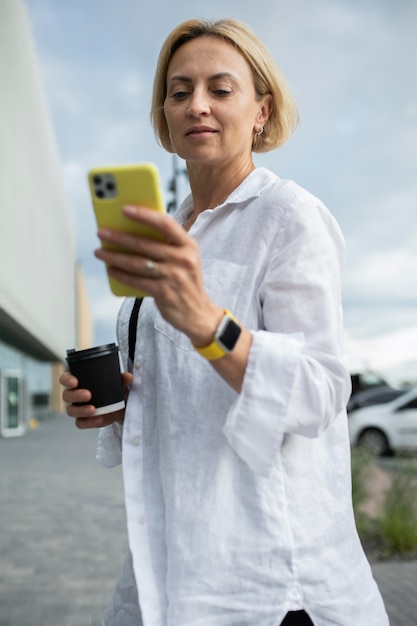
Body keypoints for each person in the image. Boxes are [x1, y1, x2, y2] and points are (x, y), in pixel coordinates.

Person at [61, 18, 389, 626]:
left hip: (267, 579)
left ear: (261, 111)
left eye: (221, 88)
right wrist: (114, 402)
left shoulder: (290, 217)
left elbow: (319, 391)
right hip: (168, 563)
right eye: (180, 91)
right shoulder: (166, 230)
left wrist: (210, 323)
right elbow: (185, 386)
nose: (198, 106)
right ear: (164, 114)